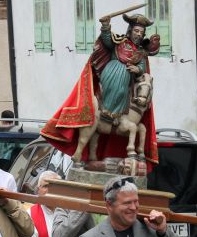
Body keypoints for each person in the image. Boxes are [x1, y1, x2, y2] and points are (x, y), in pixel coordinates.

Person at [40, 12, 160, 169]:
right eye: (136, 31)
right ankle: (104, 116)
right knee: (110, 91)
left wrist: (136, 69)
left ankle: (117, 122)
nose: (138, 34)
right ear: (130, 30)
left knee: (124, 94)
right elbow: (107, 41)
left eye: (141, 32)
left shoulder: (141, 53)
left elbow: (143, 70)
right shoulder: (120, 42)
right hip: (111, 74)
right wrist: (105, 26)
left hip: (126, 82)